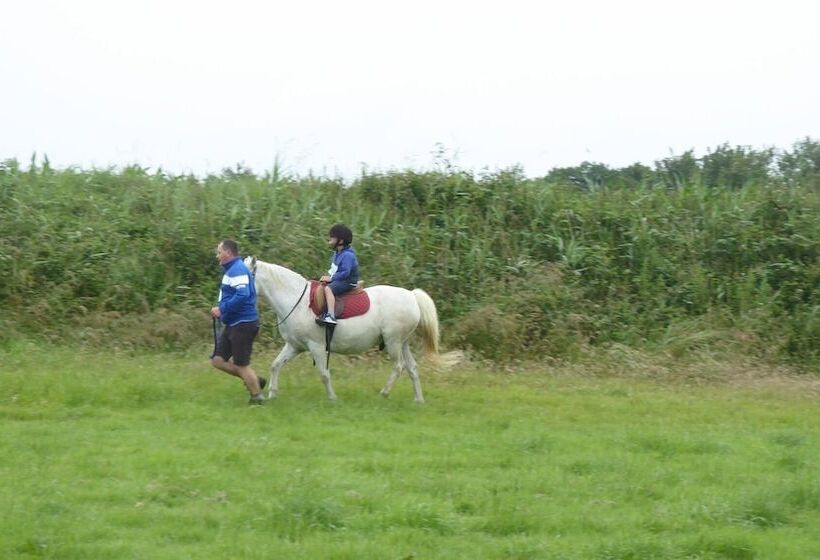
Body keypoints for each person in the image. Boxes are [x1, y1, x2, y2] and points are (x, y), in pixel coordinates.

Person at [209, 239, 267, 405]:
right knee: (218, 360)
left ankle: (257, 398)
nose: (217, 256)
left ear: (228, 253)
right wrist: (222, 309)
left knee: (242, 364)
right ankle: (254, 380)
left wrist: (222, 309)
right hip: (233, 323)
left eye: (219, 252)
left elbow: (242, 295)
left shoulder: (237, 270)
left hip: (243, 324)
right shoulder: (232, 270)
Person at [317, 223, 359, 325]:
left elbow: (345, 272)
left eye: (332, 238)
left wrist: (331, 278)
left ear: (340, 241)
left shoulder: (348, 255)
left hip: (348, 281)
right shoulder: (337, 253)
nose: (330, 240)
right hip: (340, 278)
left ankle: (331, 315)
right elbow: (333, 269)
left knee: (328, 288)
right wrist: (327, 276)